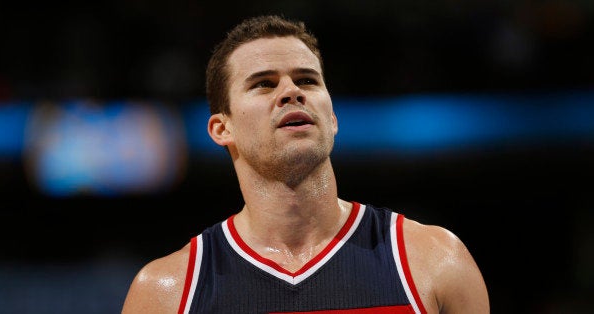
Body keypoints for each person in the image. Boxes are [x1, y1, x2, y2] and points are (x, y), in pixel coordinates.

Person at [122, 15, 489, 314]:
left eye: (307, 80)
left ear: (332, 118)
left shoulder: (436, 260)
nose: (291, 91)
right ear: (222, 128)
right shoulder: (167, 292)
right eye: (264, 84)